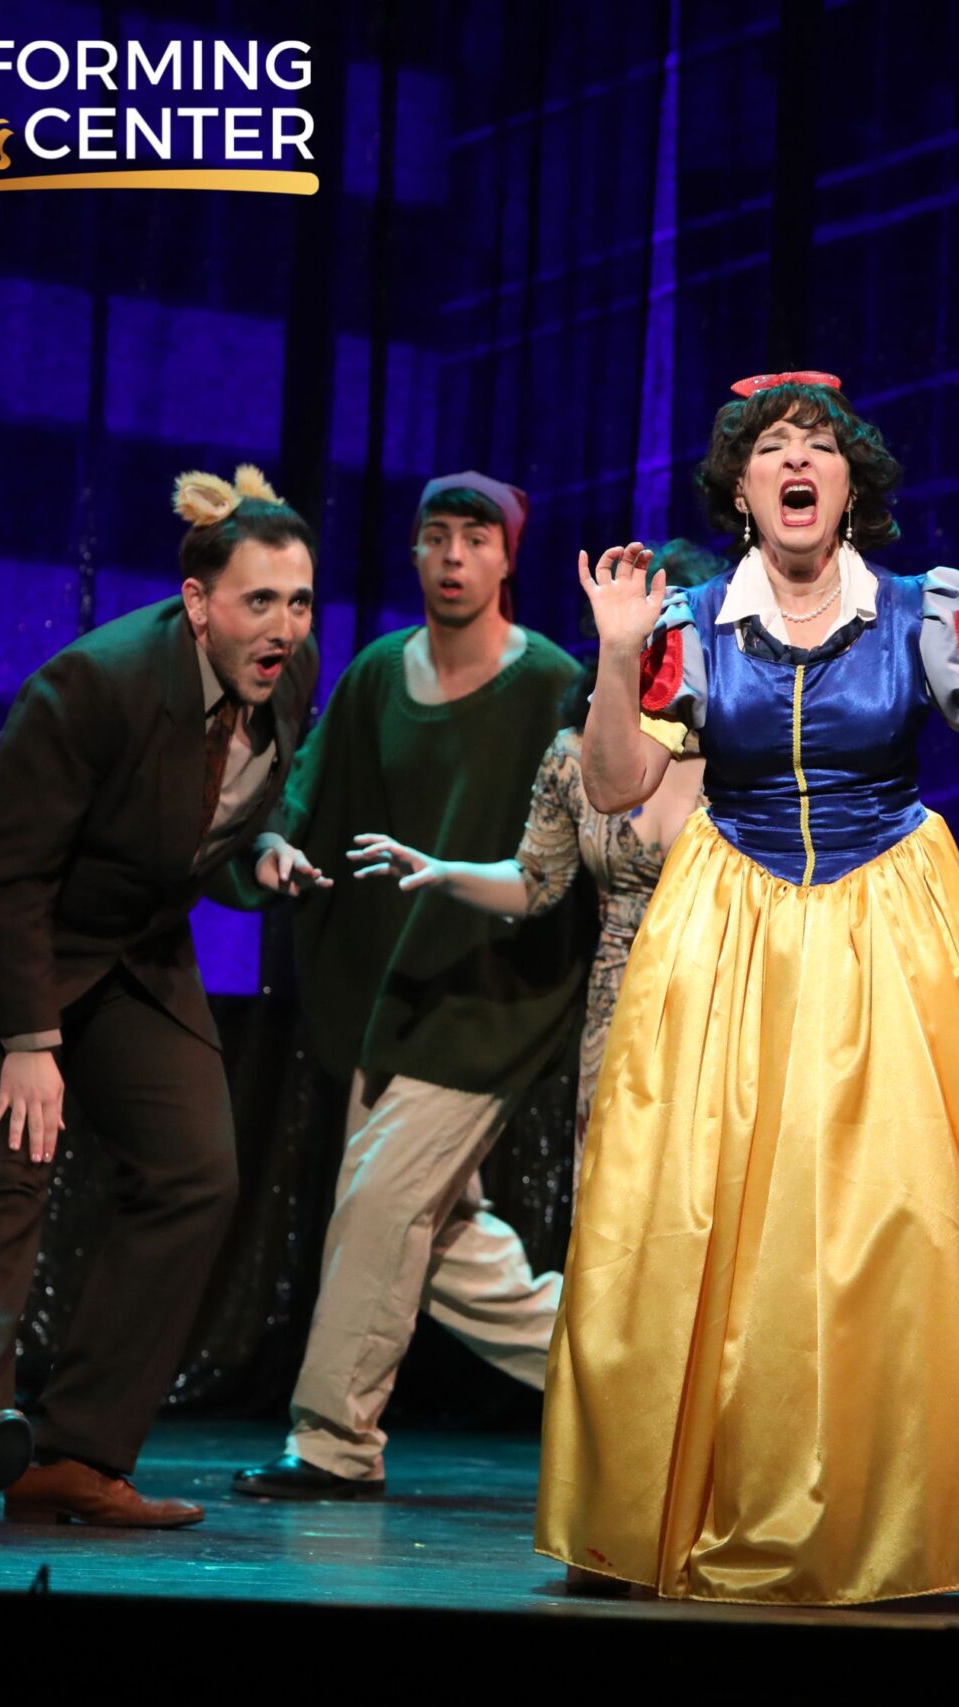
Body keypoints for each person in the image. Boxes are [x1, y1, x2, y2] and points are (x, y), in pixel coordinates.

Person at [534, 372, 959, 1605]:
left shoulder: (923, 610)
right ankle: (692, 1499)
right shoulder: (688, 623)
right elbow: (611, 785)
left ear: (850, 484)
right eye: (771, 447)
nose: (795, 462)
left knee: (905, 1220)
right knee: (708, 1213)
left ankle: (906, 1507)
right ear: (742, 489)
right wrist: (614, 653)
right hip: (730, 931)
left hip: (888, 929)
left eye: (816, 446)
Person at [0, 466, 327, 1533]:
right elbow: (10, 879)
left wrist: (261, 848)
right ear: (198, 604)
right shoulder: (95, 683)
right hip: (2, 940)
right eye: (259, 601)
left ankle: (79, 1455)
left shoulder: (289, 673)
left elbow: (225, 801)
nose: (283, 626)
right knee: (4, 1167)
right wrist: (28, 1038)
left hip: (130, 943)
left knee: (196, 1172)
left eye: (299, 600)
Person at [352, 544, 959, 1164]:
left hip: (732, 994)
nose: (666, 650)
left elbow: (818, 854)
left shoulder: (746, 760)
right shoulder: (576, 758)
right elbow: (536, 881)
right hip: (622, 1004)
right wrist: (438, 871)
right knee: (617, 1187)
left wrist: (918, 880)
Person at [233, 471, 592, 1502]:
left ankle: (333, 1443)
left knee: (380, 1204)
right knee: (442, 1251)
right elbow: (307, 792)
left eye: (474, 539)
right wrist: (273, 847)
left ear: (507, 557)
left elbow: (590, 832)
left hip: (490, 999)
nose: (452, 556)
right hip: (394, 994)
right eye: (435, 536)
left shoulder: (551, 685)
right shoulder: (380, 674)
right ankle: (653, 1378)